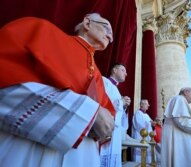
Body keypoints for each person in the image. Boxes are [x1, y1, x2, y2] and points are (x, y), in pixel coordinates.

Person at [0, 13, 115, 167]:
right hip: (32, 152)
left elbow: (106, 122)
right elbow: (6, 80)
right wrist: (88, 113)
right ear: (87, 23)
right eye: (106, 27)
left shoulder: (99, 77)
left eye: (112, 35)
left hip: (83, 157)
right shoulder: (41, 31)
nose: (110, 36)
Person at [100, 63, 131, 167]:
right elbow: (102, 102)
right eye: (123, 70)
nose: (126, 74)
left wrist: (124, 106)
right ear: (115, 70)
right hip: (105, 125)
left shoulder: (116, 89)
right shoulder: (104, 81)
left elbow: (118, 110)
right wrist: (121, 102)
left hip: (115, 130)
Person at [132, 99, 155, 163]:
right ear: (142, 105)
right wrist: (149, 123)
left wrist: (153, 123)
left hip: (147, 136)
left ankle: (148, 162)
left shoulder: (146, 115)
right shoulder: (138, 114)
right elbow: (139, 125)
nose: (148, 105)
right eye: (147, 104)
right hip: (140, 136)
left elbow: (150, 122)